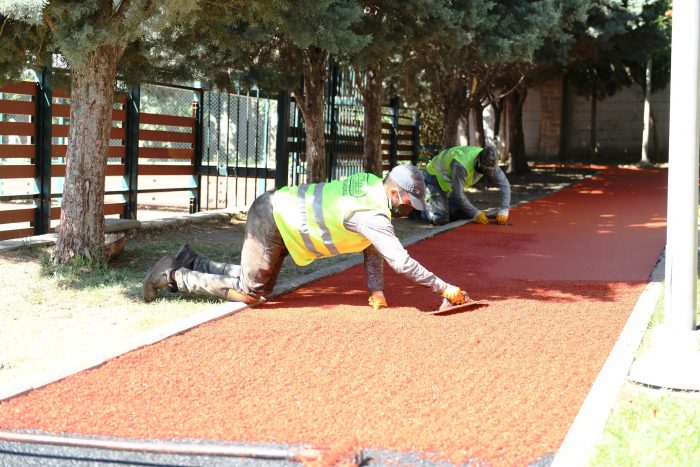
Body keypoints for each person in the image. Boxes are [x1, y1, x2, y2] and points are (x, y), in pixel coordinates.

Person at [142, 164, 468, 310]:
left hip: (282, 216)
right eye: (410, 200)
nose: (411, 207)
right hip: (274, 218)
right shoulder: (374, 214)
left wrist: (376, 290)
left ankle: (187, 259)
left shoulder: (372, 184)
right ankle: (171, 276)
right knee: (250, 293)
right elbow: (401, 261)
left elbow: (371, 247)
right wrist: (443, 288)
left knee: (257, 283)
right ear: (395, 192)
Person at [420, 145, 511, 226]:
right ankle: (422, 209)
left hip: (447, 184)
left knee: (465, 214)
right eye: (485, 169)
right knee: (441, 219)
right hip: (433, 177)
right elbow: (458, 194)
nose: (487, 172)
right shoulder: (461, 165)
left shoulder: (490, 161)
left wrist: (504, 209)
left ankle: (440, 203)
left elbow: (504, 184)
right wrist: (476, 213)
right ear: (478, 160)